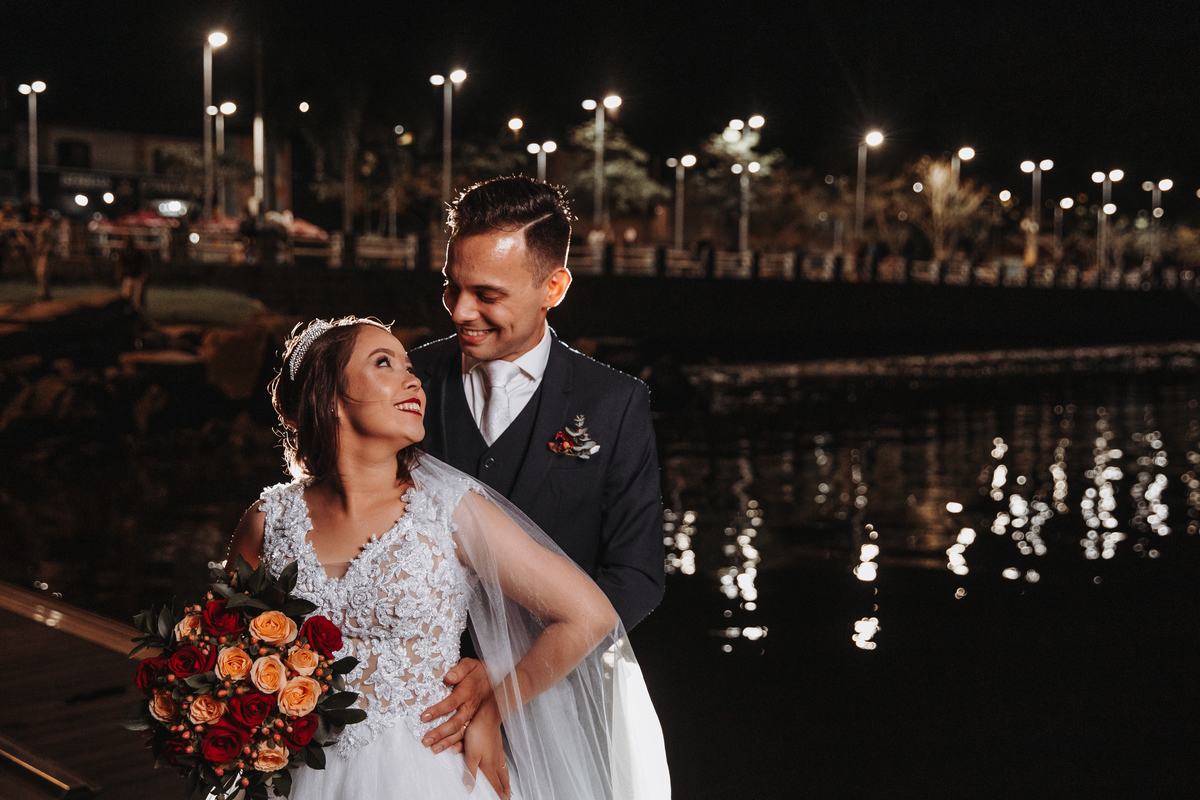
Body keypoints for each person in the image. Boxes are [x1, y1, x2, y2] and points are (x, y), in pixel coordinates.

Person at [227, 317, 669, 800]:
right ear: (329, 396)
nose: (412, 379)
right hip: (295, 769)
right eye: (384, 363)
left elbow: (589, 615)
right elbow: (226, 655)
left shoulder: (448, 510)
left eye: (409, 367)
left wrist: (494, 708)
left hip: (429, 770)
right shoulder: (268, 521)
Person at [408, 176, 666, 750]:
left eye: (487, 295)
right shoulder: (407, 380)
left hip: (555, 706)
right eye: (452, 288)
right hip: (422, 707)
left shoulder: (615, 403)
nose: (461, 311)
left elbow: (636, 577)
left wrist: (511, 673)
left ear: (554, 287)